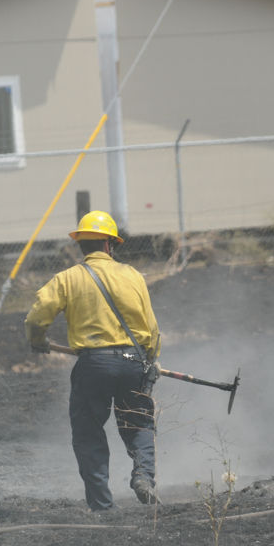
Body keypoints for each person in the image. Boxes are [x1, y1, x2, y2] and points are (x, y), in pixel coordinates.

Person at [25, 211, 162, 510]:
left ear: (80, 245)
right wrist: (152, 359)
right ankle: (143, 477)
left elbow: (37, 317)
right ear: (110, 244)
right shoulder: (133, 276)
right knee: (138, 424)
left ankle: (102, 505)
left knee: (88, 433)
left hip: (93, 365)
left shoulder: (67, 279)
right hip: (134, 361)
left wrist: (38, 341)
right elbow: (151, 328)